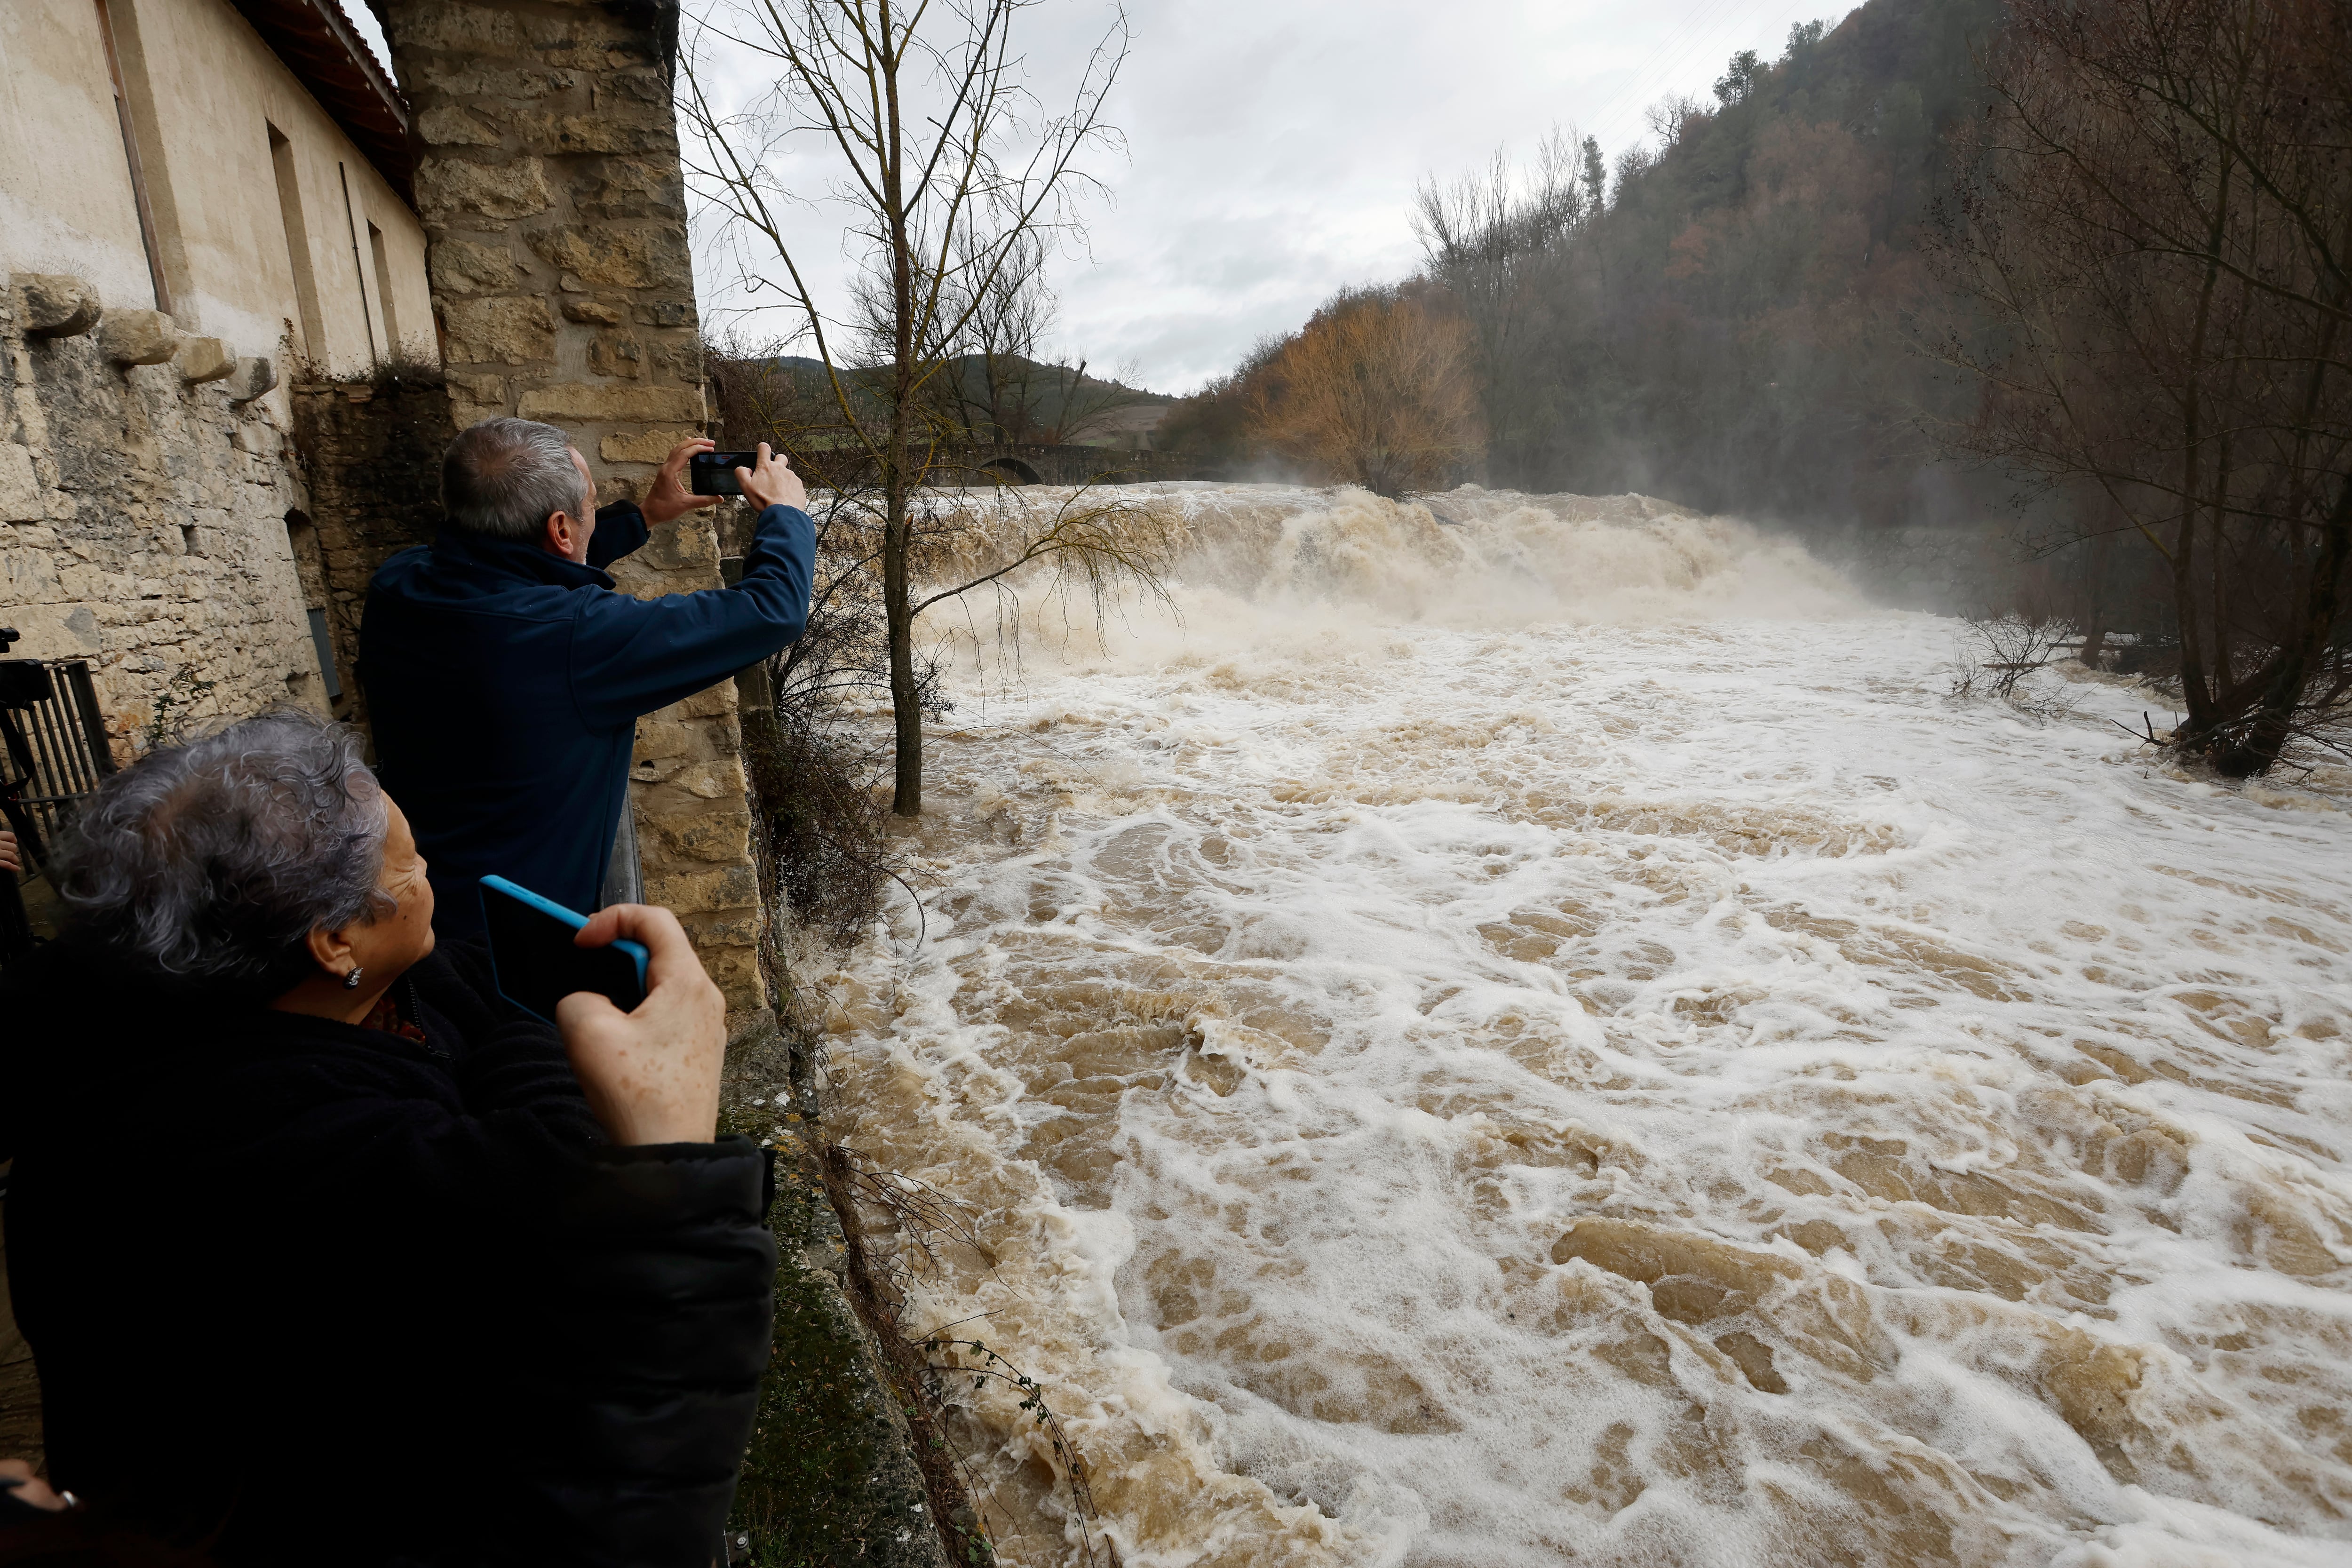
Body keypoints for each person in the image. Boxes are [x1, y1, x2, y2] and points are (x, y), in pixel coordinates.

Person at [0, 708, 775, 1567]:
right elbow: (572, 1227)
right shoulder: (298, 1164)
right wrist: (651, 1119)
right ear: (336, 942)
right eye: (409, 863)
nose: (430, 868)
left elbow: (459, 985)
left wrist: (523, 1026)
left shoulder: (187, 983)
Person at [359, 422, 814, 939]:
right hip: (512, 946)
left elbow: (510, 578)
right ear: (560, 530)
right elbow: (772, 612)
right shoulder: (577, 640)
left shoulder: (398, 583)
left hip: (406, 908)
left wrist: (641, 517)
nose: (592, 518)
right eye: (591, 506)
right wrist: (786, 516)